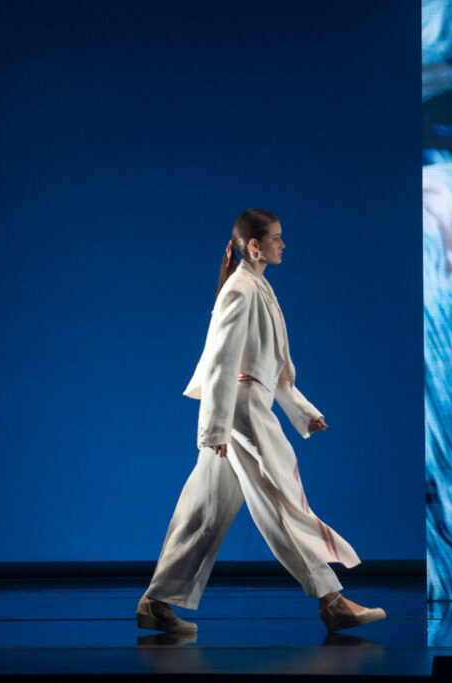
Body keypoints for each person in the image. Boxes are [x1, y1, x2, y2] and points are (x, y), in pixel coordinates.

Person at [136, 209, 386, 634]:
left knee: (203, 511)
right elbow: (221, 362)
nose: (282, 244)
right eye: (276, 238)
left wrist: (303, 410)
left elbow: (273, 367)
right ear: (255, 245)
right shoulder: (241, 289)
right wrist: (214, 429)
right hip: (241, 413)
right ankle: (331, 599)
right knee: (278, 497)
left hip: (244, 407)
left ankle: (157, 601)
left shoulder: (257, 286)